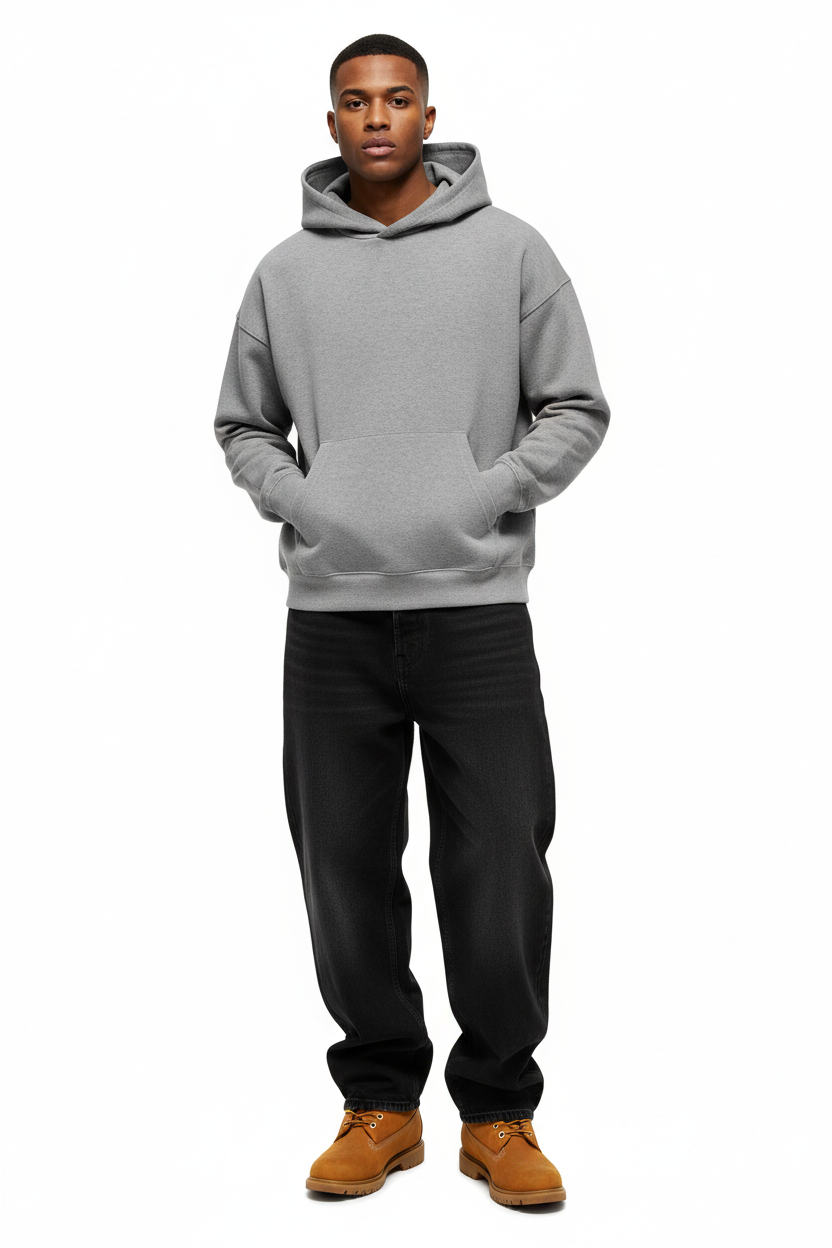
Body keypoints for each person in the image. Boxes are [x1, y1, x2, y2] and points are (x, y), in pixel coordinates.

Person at [214, 31, 611, 1206]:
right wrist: (309, 503)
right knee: (341, 868)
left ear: (429, 117)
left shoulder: (512, 251)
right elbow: (242, 425)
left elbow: (576, 406)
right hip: (331, 620)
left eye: (397, 99)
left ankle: (499, 1114)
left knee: (498, 865)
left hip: (476, 614)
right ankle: (381, 1104)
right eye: (355, 101)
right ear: (331, 123)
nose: (377, 117)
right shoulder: (284, 274)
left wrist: (482, 495)